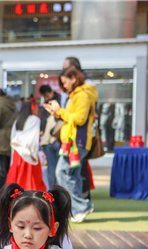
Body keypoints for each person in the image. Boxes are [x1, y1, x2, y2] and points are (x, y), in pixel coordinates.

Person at [45, 67, 97, 223]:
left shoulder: (81, 95)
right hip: (74, 141)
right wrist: (59, 112)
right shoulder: (80, 94)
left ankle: (80, 207)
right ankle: (76, 209)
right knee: (73, 174)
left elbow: (79, 119)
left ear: (74, 78)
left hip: (75, 142)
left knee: (62, 172)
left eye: (65, 82)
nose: (64, 86)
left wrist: (60, 112)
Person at [6, 101, 47, 192]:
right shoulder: (35, 119)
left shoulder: (18, 120)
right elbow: (33, 138)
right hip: (28, 152)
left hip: (17, 151)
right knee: (29, 177)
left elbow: (13, 137)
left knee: (17, 177)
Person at [0, 88, 17, 190]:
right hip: (12, 137)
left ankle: (0, 193)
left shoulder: (0, 105)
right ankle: (9, 191)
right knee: (8, 168)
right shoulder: (13, 105)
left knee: (0, 169)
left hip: (1, 138)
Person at [39, 85, 62, 188]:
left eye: (47, 95)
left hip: (58, 137)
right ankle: (52, 192)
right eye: (45, 96)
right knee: (51, 168)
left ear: (51, 92)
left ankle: (60, 191)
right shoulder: (45, 105)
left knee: (60, 168)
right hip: (47, 140)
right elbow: (43, 120)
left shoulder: (61, 100)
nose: (47, 97)